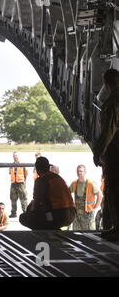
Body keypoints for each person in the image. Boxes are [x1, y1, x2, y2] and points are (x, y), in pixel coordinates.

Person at [93, 68, 119, 240]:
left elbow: (109, 130)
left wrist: (98, 151)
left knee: (115, 189)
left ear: (107, 84)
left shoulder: (112, 101)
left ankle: (117, 228)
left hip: (116, 150)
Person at [20, 157, 76, 230]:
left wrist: (31, 211)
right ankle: (52, 228)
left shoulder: (41, 180)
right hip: (71, 214)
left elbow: (37, 202)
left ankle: (46, 232)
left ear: (37, 169)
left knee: (24, 218)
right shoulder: (58, 177)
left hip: (59, 215)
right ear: (48, 167)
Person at [70, 165, 103, 230]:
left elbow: (100, 195)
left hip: (88, 214)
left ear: (85, 172)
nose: (79, 173)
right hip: (77, 215)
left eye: (81, 171)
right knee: (77, 234)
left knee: (89, 233)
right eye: (78, 171)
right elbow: (67, 193)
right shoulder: (74, 183)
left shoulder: (90, 183)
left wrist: (95, 207)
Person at [8, 152, 28, 218]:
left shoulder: (22, 164)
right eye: (14, 156)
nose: (15, 157)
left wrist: (23, 181)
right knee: (13, 199)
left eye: (16, 156)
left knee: (23, 199)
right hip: (13, 183)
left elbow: (26, 174)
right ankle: (13, 213)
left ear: (19, 156)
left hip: (21, 184)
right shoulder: (11, 164)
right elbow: (10, 173)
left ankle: (26, 213)